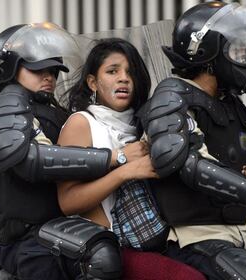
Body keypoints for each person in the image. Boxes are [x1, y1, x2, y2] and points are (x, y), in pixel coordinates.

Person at [138, 2, 246, 279]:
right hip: (196, 241)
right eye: (237, 51)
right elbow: (187, 162)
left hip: (240, 240)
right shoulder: (172, 98)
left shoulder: (231, 104)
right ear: (207, 55)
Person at [0, 23, 123, 280]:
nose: (49, 76)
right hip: (25, 239)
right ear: (9, 67)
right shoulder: (6, 108)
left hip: (58, 226)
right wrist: (115, 157)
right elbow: (31, 160)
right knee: (100, 257)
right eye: (38, 68)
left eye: (53, 70)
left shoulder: (50, 110)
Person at [57, 38, 167, 250]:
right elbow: (68, 202)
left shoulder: (145, 123)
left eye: (130, 72)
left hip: (157, 238)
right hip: (108, 247)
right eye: (112, 71)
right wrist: (125, 171)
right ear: (92, 83)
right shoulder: (82, 123)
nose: (124, 79)